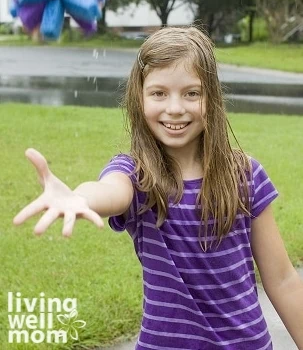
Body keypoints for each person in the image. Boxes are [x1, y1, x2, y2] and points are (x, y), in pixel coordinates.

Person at [14, 26, 303, 350]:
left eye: (191, 93)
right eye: (159, 93)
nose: (175, 108)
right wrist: (80, 198)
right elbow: (111, 191)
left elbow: (282, 280)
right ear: (140, 98)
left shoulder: (245, 175)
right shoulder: (137, 176)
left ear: (212, 98)